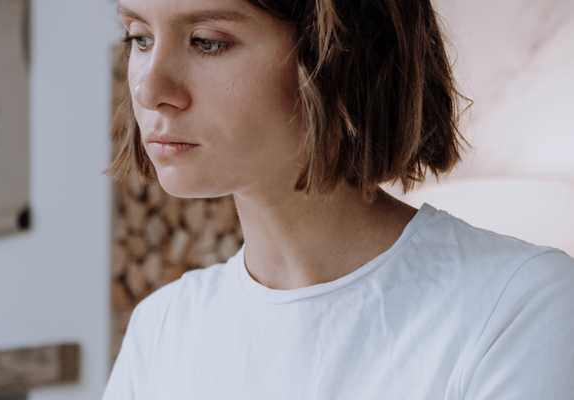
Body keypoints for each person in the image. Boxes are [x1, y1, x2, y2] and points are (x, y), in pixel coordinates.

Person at [102, 0, 574, 399]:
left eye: (208, 42)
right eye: (139, 38)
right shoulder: (164, 327)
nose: (149, 87)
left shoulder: (519, 308)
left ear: (339, 57)